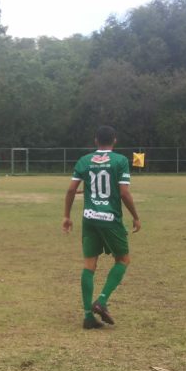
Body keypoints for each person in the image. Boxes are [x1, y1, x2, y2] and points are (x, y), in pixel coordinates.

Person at [62, 126, 141, 330]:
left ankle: (88, 316)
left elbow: (71, 189)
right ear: (114, 140)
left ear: (96, 140)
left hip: (89, 218)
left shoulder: (84, 160)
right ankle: (102, 300)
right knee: (123, 259)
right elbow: (124, 193)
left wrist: (67, 216)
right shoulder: (120, 161)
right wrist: (135, 216)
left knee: (89, 265)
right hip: (110, 218)